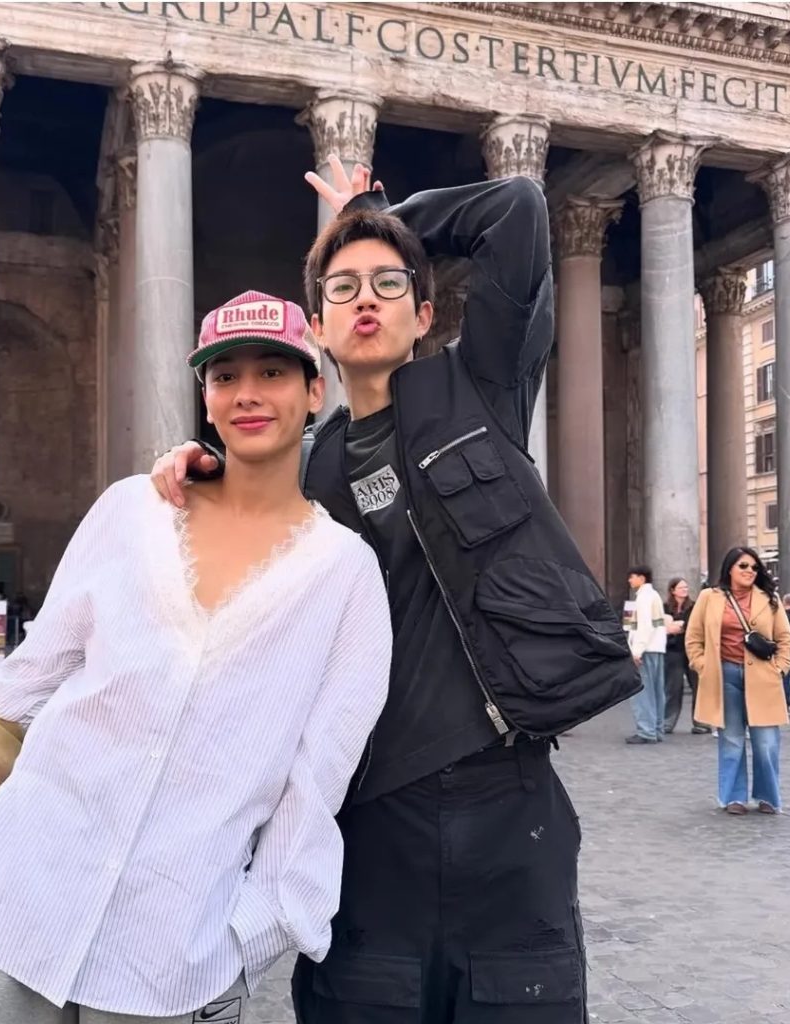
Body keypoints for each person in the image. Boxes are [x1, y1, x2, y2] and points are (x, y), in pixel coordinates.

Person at [151, 161, 639, 1022]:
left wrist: (376, 216)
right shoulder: (311, 471)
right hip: (371, 820)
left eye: (389, 284)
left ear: (425, 313)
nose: (367, 299)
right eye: (343, 288)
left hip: (508, 803)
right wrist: (193, 474)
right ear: (317, 330)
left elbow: (517, 211)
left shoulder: (479, 388)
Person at [0, 291, 392, 1024]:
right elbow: (33, 680)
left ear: (314, 391)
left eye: (273, 372)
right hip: (17, 897)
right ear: (206, 397)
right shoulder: (130, 511)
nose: (249, 394)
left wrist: (250, 931)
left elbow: (318, 776)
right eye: (226, 377)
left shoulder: (346, 574)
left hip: (173, 949)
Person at [685, 547, 790, 814]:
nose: (749, 571)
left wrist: (779, 669)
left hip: (763, 678)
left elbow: (785, 639)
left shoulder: (769, 598)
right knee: (731, 740)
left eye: (754, 567)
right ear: (730, 568)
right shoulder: (710, 597)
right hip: (725, 675)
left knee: (766, 742)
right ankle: (734, 797)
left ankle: (768, 796)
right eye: (744, 566)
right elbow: (693, 637)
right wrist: (703, 666)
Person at [625, 566, 668, 744]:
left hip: (645, 649)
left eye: (632, 577)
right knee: (657, 691)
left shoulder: (643, 598)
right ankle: (657, 728)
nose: (629, 580)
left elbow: (644, 626)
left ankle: (646, 730)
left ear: (641, 578)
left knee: (642, 692)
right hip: (656, 648)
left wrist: (636, 651)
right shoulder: (655, 595)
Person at [663, 577, 709, 735]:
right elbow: (662, 626)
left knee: (698, 687)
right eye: (681, 588)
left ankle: (701, 722)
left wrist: (677, 626)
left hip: (692, 651)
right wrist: (673, 627)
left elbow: (695, 626)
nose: (684, 590)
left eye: (686, 587)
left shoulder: (694, 607)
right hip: (673, 651)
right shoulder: (666, 607)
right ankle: (668, 722)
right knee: (673, 688)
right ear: (673, 590)